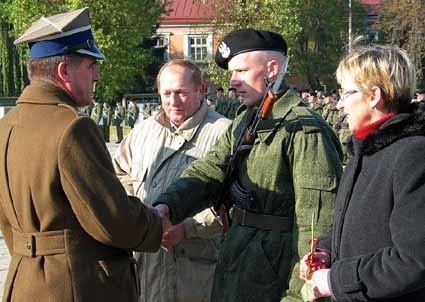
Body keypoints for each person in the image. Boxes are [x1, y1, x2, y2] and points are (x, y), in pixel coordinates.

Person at [154, 28, 343, 302]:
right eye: (232, 73)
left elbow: (316, 229)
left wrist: (301, 295)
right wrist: (167, 205)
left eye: (241, 71)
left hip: (275, 276)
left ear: (273, 69)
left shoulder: (304, 130)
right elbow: (211, 170)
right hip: (238, 263)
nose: (233, 81)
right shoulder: (248, 120)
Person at [0, 7, 163, 301]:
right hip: (75, 286)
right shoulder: (73, 128)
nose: (98, 76)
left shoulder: (6, 125)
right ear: (64, 72)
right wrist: (156, 223)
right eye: (91, 66)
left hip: (24, 282)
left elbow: (8, 221)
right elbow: (112, 220)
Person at [299, 45, 425, 301]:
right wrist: (326, 251)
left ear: (373, 96)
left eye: (347, 93)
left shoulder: (412, 155)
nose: (340, 105)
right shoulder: (365, 151)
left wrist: (335, 280)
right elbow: (359, 228)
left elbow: (414, 260)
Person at [113, 59, 231, 302]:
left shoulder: (224, 133)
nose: (173, 101)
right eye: (166, 93)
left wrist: (188, 228)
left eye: (180, 92)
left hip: (196, 273)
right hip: (147, 268)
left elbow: (235, 202)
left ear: (200, 90)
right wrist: (136, 211)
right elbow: (118, 172)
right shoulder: (144, 131)